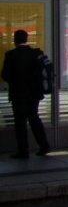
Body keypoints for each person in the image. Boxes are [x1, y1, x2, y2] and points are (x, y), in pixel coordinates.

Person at [1, 29, 51, 158]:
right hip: (34, 93)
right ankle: (44, 146)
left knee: (20, 122)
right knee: (34, 118)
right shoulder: (36, 53)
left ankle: (23, 151)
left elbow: (5, 75)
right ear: (26, 39)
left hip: (18, 94)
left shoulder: (11, 55)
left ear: (15, 40)